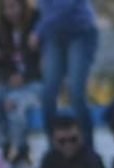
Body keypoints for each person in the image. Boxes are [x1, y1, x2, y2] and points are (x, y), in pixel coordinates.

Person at [0, 0, 43, 166]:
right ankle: (5, 143)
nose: (11, 12)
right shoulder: (0, 32)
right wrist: (9, 76)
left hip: (35, 83)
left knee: (14, 102)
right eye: (6, 8)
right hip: (10, 83)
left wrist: (25, 77)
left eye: (14, 6)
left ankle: (21, 150)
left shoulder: (37, 25)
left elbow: (45, 63)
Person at [35, 0, 99, 143]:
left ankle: (87, 146)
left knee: (76, 92)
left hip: (80, 31)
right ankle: (54, 146)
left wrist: (38, 31)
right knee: (48, 94)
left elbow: (65, 6)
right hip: (54, 34)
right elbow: (45, 10)